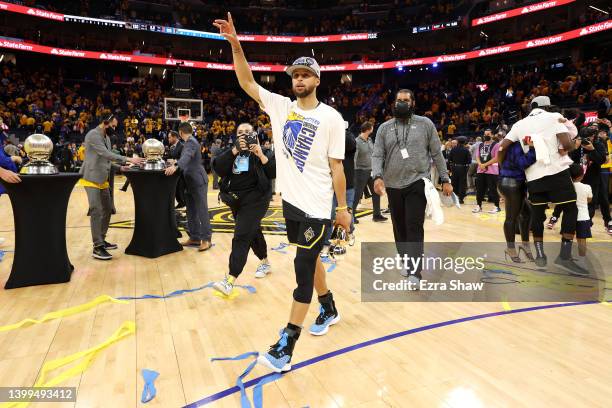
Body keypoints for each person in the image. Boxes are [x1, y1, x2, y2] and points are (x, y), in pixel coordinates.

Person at [214, 12, 351, 373]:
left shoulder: (332, 118)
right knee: (312, 258)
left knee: (301, 268)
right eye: (295, 75)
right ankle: (330, 307)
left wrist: (343, 209)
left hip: (318, 207)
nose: (299, 79)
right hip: (291, 204)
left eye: (305, 74)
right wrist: (236, 45)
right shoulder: (280, 107)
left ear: (317, 79)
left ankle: (286, 345)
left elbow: (338, 167)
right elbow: (245, 82)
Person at [371, 89, 452, 284]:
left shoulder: (425, 124)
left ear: (413, 103)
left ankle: (415, 272)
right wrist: (377, 176)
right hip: (393, 185)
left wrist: (445, 178)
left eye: (406, 100)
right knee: (399, 228)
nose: (402, 103)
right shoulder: (384, 128)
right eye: (399, 100)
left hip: (418, 182)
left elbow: (436, 153)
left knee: (413, 225)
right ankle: (407, 263)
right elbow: (378, 154)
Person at [498, 96, 586, 275]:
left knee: (537, 215)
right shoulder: (553, 117)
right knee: (570, 209)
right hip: (556, 173)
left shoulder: (519, 124)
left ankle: (540, 256)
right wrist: (570, 146)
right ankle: (564, 256)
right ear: (546, 107)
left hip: (533, 177)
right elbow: (567, 144)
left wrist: (503, 167)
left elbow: (502, 147)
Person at [211, 123, 276, 295]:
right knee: (253, 231)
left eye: (248, 132)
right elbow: (217, 168)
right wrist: (234, 151)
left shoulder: (263, 151)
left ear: (254, 134)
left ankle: (230, 279)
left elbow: (273, 172)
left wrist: (260, 154)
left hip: (257, 200)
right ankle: (265, 262)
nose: (244, 135)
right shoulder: (230, 151)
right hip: (236, 200)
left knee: (241, 235)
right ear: (236, 136)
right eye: (240, 132)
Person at [80, 114, 143, 260]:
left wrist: (121, 168)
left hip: (103, 178)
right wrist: (127, 159)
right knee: (96, 210)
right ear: (105, 122)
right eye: (113, 126)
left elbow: (106, 161)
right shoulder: (93, 135)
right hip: (90, 177)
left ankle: (101, 239)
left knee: (108, 209)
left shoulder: (107, 138)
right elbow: (106, 154)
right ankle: (97, 247)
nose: (114, 129)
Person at [164, 122, 213, 252]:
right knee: (191, 210)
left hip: (197, 181)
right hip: (189, 182)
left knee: (202, 210)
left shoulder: (191, 142)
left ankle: (206, 239)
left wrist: (176, 166)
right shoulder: (189, 142)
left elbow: (186, 157)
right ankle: (195, 237)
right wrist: (175, 163)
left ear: (180, 132)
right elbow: (187, 159)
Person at [497, 135, 537, 262]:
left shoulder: (510, 145)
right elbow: (523, 163)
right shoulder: (515, 146)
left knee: (526, 213)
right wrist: (532, 150)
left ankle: (525, 245)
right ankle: (510, 248)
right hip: (512, 184)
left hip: (511, 183)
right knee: (511, 218)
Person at [322, 124, 356, 256]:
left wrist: (339, 128)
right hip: (329, 185)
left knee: (347, 212)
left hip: (347, 185)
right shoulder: (326, 138)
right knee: (329, 215)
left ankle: (349, 232)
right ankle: (327, 243)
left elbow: (350, 144)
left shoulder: (348, 137)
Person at [353, 121, 387, 222]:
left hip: (371, 171)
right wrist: (354, 173)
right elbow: (354, 158)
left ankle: (376, 215)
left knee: (376, 192)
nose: (373, 129)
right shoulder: (357, 141)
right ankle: (352, 216)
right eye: (372, 127)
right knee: (357, 194)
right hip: (361, 171)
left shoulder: (369, 140)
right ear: (368, 129)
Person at [569, 163, 592, 269]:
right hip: (583, 217)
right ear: (582, 175)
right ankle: (582, 261)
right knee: (582, 240)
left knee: (568, 238)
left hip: (570, 218)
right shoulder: (587, 187)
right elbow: (589, 199)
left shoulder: (568, 187)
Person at [473, 129, 501, 213]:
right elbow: (477, 156)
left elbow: (496, 158)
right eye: (485, 134)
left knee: (493, 189)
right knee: (479, 189)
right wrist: (480, 165)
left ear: (492, 135)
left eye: (488, 134)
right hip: (480, 170)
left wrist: (485, 165)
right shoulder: (480, 145)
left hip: (492, 171)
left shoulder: (496, 145)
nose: (486, 136)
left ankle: (496, 206)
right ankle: (479, 206)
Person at [448, 137, 471, 204]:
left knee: (454, 183)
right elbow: (469, 161)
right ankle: (461, 199)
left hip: (454, 168)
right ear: (464, 142)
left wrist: (451, 168)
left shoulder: (453, 149)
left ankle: (453, 199)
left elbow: (449, 159)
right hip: (463, 168)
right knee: (462, 184)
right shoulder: (466, 150)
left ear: (457, 142)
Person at [166, 130, 186, 209]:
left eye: (169, 137)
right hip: (173, 171)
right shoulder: (171, 147)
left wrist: (176, 161)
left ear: (174, 137)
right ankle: (181, 203)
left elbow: (183, 159)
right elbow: (169, 158)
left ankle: (183, 204)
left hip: (181, 172)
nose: (168, 139)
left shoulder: (182, 146)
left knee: (180, 189)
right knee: (176, 189)